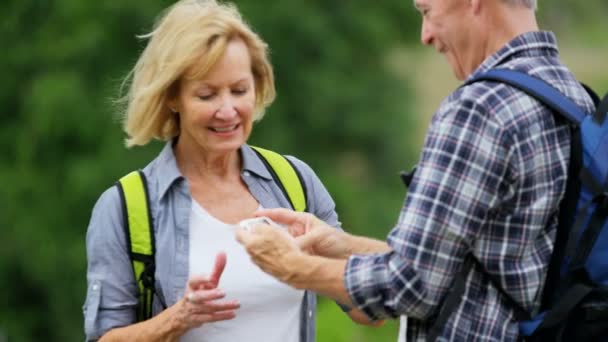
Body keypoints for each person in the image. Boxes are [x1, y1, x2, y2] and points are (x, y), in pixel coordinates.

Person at [236, 0, 597, 340]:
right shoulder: (575, 98)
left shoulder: (479, 108)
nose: (425, 35)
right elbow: (489, 265)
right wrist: (345, 247)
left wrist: (291, 265)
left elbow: (411, 284)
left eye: (427, 10)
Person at [82, 0, 373, 341]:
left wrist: (325, 261)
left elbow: (368, 312)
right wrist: (178, 318)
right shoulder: (125, 208)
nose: (228, 110)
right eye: (207, 95)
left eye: (239, 90)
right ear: (172, 97)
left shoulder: (295, 182)